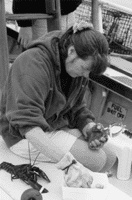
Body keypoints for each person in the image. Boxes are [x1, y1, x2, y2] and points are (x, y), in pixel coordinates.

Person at [0, 21, 116, 173]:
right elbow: (27, 126)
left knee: (110, 157)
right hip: (22, 136)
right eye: (85, 69)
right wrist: (68, 164)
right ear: (72, 52)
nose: (86, 75)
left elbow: (77, 108)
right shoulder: (32, 64)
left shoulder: (75, 67)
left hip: (52, 124)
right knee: (97, 160)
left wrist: (89, 127)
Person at [12, 0, 82, 48]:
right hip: (43, 17)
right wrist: (25, 24)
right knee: (42, 55)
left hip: (69, 15)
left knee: (65, 53)